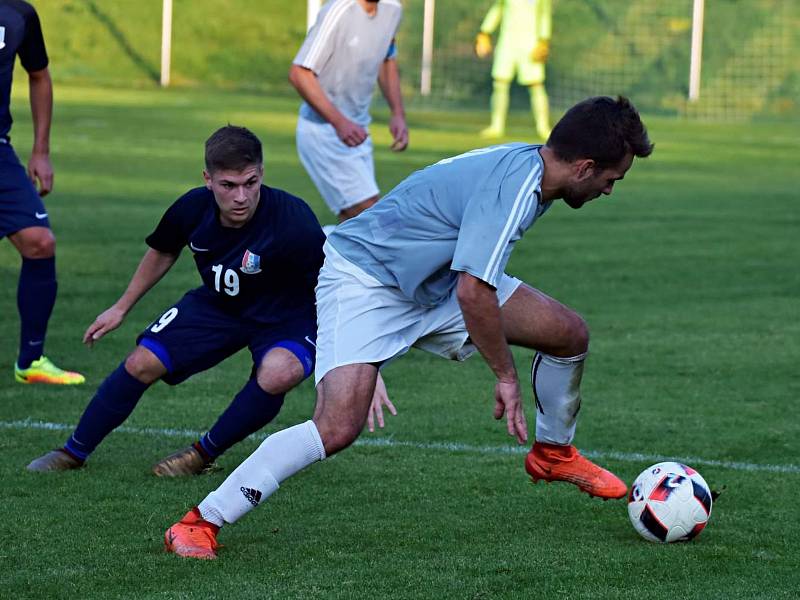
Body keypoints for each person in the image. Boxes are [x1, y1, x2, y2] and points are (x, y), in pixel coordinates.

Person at [164, 96, 653, 560]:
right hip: (366, 280)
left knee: (568, 332)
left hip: (435, 280)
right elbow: (474, 293)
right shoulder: (517, 187)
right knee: (336, 427)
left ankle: (553, 451)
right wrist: (505, 376)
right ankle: (200, 521)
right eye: (611, 179)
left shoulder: (530, 166)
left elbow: (471, 283)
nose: (609, 190)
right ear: (585, 167)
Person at [27, 125, 394, 476]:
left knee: (280, 372)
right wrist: (122, 306)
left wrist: (356, 359)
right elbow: (163, 251)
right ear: (208, 180)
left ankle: (201, 454)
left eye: (251, 183)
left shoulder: (293, 220)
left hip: (288, 316)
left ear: (261, 173)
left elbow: (333, 285)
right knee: (142, 361)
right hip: (219, 306)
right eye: (228, 185)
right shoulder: (192, 208)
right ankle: (73, 451)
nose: (241, 196)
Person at [1, 0, 84, 384]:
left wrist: (40, 150)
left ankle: (30, 361)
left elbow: (39, 75)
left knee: (39, 242)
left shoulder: (19, 14)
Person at [289, 0, 408, 224]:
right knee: (373, 222)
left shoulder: (393, 9)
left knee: (356, 227)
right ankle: (312, 250)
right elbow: (299, 73)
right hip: (323, 133)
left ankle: (319, 254)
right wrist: (339, 122)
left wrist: (398, 114)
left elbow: (387, 59)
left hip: (358, 133)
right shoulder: (338, 10)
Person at [475, 0, 553, 140]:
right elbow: (497, 9)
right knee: (500, 83)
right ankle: (496, 126)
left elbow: (545, 15)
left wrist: (544, 40)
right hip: (507, 43)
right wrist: (484, 31)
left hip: (531, 45)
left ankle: (543, 128)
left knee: (536, 85)